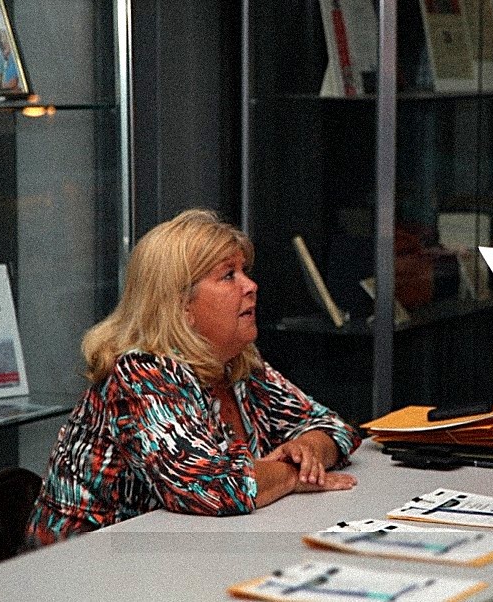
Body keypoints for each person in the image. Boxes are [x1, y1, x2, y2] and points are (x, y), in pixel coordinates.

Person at [26, 209, 361, 547]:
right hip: (87, 567)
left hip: (180, 553)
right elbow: (212, 488)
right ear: (180, 305)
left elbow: (335, 427)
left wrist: (308, 449)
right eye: (229, 275)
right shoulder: (141, 374)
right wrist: (293, 475)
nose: (251, 286)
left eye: (245, 271)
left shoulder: (239, 363)